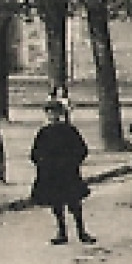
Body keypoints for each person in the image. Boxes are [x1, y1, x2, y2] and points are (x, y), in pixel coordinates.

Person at [29, 99, 97, 245]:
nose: (52, 116)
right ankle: (62, 232)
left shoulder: (69, 131)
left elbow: (82, 150)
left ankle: (81, 231)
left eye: (55, 112)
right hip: (52, 174)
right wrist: (43, 164)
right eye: (49, 113)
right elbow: (34, 153)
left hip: (68, 173)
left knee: (75, 204)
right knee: (56, 204)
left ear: (61, 113)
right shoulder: (43, 132)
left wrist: (72, 162)